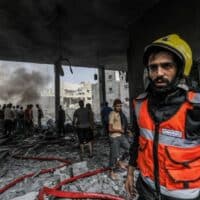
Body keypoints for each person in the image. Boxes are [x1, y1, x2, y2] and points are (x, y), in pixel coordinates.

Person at [125, 34, 200, 200]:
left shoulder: (196, 106)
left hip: (183, 196)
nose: (159, 73)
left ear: (180, 69)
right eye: (153, 67)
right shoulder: (139, 104)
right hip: (146, 190)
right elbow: (137, 141)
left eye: (167, 66)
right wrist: (130, 173)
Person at [108, 98, 130, 180]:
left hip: (121, 136)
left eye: (120, 106)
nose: (119, 107)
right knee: (114, 155)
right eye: (117, 106)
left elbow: (121, 125)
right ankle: (111, 172)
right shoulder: (112, 114)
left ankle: (119, 161)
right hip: (114, 137)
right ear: (114, 106)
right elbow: (110, 129)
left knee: (129, 149)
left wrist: (127, 131)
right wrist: (119, 130)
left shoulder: (121, 114)